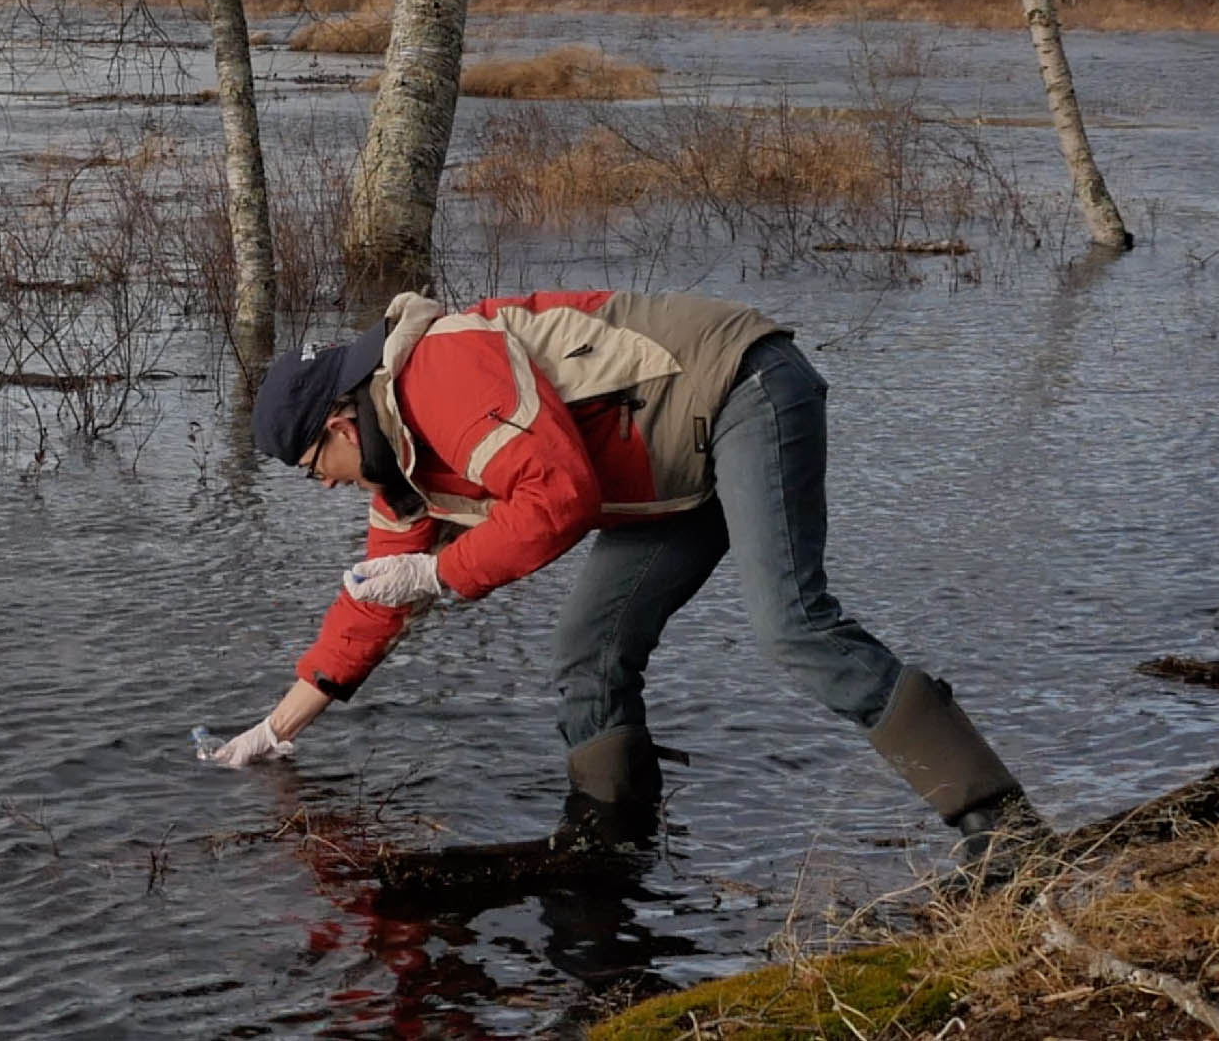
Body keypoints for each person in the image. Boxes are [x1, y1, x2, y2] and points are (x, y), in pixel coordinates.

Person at [204, 288, 1045, 860]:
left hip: (742, 389)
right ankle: (614, 844)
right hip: (671, 472)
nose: (319, 482)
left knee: (791, 625)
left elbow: (559, 500)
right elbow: (368, 608)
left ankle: (1003, 833)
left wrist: (438, 575)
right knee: (587, 651)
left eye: (313, 462)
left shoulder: (442, 374)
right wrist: (275, 732)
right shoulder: (404, 468)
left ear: (344, 421)